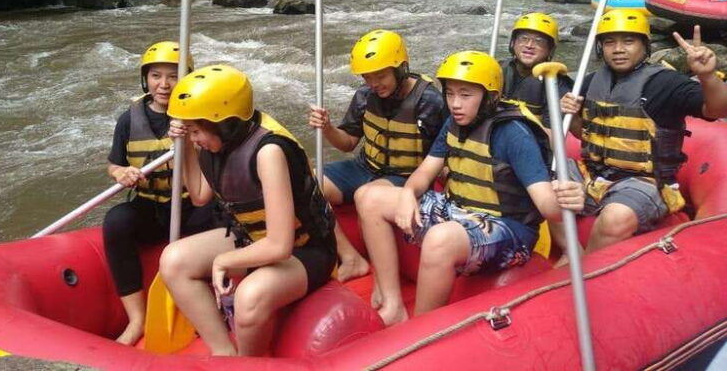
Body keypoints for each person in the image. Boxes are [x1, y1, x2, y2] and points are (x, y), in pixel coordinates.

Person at [356, 51, 584, 326]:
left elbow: (547, 206)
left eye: (465, 95)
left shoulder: (513, 134)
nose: (455, 104)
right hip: (460, 212)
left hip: (508, 229)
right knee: (368, 197)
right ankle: (393, 304)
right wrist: (407, 194)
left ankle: (421, 330)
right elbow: (426, 171)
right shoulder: (454, 123)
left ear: (490, 97)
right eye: (450, 94)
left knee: (441, 238)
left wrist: (566, 198)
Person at [160, 65, 336, 356]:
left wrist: (223, 261)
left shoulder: (268, 151)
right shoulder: (215, 143)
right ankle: (223, 352)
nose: (193, 138)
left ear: (224, 122)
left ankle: (248, 361)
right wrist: (186, 148)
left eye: (195, 131)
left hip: (305, 251)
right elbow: (201, 195)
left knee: (249, 296)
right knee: (174, 260)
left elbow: (281, 245)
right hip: (252, 239)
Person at [559, 11, 727, 253]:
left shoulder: (668, 83)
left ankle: (586, 273)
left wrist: (708, 75)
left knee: (615, 219)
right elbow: (584, 134)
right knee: (545, 184)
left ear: (644, 46)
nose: (618, 49)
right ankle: (569, 250)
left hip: (646, 181)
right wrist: (572, 115)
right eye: (609, 42)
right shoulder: (591, 81)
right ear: (600, 48)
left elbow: (716, 109)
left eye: (628, 41)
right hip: (593, 174)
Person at [307, 29, 445, 281]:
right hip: (365, 167)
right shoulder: (364, 97)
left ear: (401, 68)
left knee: (366, 196)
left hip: (405, 175)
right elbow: (348, 143)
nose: (373, 83)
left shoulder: (430, 101)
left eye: (380, 75)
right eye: (367, 77)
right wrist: (327, 128)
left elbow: (444, 152)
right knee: (308, 184)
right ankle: (350, 257)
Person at [102, 41, 216, 345]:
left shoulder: (199, 113)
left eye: (173, 76)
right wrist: (120, 173)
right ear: (146, 79)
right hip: (150, 206)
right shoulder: (129, 118)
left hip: (192, 205)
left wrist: (190, 137)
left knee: (221, 219)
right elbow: (114, 164)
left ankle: (211, 304)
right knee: (116, 221)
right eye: (156, 76)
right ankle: (137, 319)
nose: (164, 85)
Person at [500, 12, 573, 127]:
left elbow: (553, 132)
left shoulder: (556, 83)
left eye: (539, 41)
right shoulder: (498, 70)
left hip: (535, 139)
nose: (529, 45)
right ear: (513, 43)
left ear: (550, 49)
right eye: (523, 38)